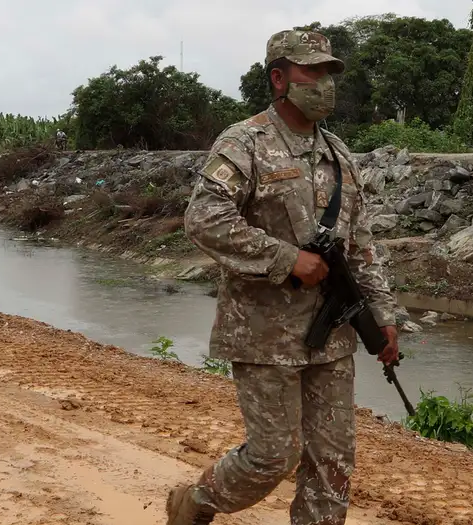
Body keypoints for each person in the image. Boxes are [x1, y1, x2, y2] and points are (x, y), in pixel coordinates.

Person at [170, 29, 401, 525]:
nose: (323, 83)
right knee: (272, 456)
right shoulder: (244, 142)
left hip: (332, 335)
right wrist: (285, 258)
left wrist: (382, 315)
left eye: (328, 73)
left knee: (332, 462)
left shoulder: (340, 154)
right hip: (263, 334)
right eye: (310, 71)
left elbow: (359, 244)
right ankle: (196, 502)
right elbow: (204, 220)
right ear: (279, 78)